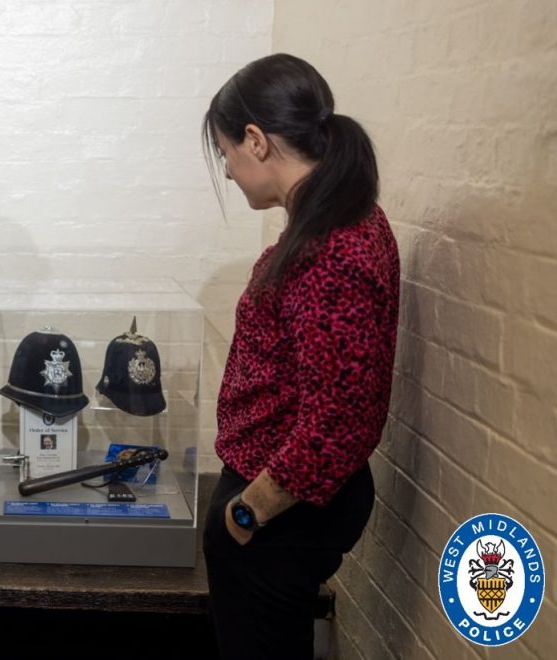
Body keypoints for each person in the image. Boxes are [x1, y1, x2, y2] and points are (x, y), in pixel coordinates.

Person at [200, 54, 399, 660]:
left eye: (226, 153)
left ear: (256, 141)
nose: (229, 173)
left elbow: (338, 422)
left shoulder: (331, 248)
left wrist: (247, 511)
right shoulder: (333, 222)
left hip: (283, 511)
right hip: (283, 501)